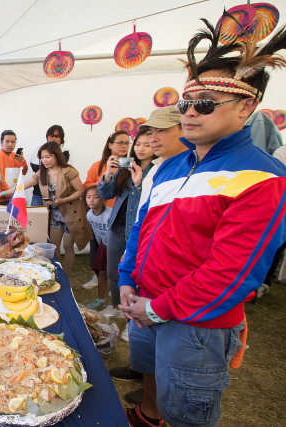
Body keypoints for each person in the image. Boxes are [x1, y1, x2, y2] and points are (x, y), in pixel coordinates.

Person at [118, 23, 286, 427]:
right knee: (153, 380)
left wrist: (158, 308)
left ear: (246, 107)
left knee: (188, 413)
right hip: (144, 301)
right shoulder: (168, 166)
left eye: (206, 104)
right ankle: (147, 415)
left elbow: (233, 273)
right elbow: (140, 229)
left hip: (196, 323)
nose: (190, 112)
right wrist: (127, 279)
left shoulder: (263, 177)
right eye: (186, 103)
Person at [108, 106, 187, 401]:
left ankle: (154, 400)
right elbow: (142, 223)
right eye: (148, 133)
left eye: (161, 131)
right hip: (141, 270)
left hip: (171, 289)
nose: (152, 139)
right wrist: (129, 272)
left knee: (172, 359)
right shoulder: (159, 168)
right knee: (143, 338)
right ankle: (143, 381)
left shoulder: (188, 168)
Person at [0, 142, 92, 274]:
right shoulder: (42, 173)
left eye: (48, 157)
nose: (44, 160)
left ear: (56, 156)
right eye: (42, 157)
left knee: (68, 245)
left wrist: (64, 200)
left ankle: (66, 275)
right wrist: (1, 193)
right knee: (54, 245)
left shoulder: (69, 171)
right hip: (54, 214)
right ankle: (56, 271)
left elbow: (80, 191)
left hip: (71, 213)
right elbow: (21, 186)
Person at [97, 129, 156, 318]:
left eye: (147, 144)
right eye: (138, 144)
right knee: (114, 270)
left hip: (140, 231)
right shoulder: (126, 167)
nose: (141, 149)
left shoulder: (157, 171)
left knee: (136, 273)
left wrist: (138, 185)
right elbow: (106, 194)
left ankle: (134, 312)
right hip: (116, 228)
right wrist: (107, 173)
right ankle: (116, 306)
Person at [83, 130, 130, 208]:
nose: (124, 146)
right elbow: (86, 186)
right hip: (101, 210)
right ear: (110, 145)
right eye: (120, 143)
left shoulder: (131, 167)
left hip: (121, 211)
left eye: (127, 143)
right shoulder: (97, 165)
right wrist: (103, 183)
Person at [85, 186, 111, 310]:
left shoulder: (109, 215)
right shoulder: (89, 215)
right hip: (103, 244)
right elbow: (96, 233)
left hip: (115, 246)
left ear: (103, 200)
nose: (92, 200)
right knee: (101, 272)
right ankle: (101, 299)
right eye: (88, 197)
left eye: (96, 197)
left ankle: (117, 297)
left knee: (115, 273)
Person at [29, 125, 68, 206]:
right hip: (39, 194)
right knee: (36, 218)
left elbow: (62, 167)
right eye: (51, 135)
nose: (53, 138)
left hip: (58, 196)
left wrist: (41, 161)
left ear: (61, 138)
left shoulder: (66, 151)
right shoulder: (39, 148)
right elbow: (34, 166)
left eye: (56, 136)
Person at [0, 130, 28, 205]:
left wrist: (22, 161)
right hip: (0, 198)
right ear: (1, 143)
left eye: (13, 142)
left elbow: (23, 172)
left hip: (12, 195)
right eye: (7, 141)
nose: (10, 144)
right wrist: (9, 193)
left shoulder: (14, 155)